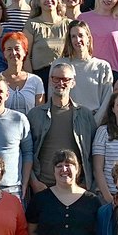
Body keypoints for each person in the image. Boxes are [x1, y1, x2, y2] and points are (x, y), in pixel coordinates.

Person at [28, 59, 98, 194]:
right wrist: (34, 182)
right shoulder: (35, 115)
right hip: (44, 187)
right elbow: (27, 152)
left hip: (76, 188)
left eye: (65, 79)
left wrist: (86, 183)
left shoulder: (85, 115)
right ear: (50, 80)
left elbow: (93, 154)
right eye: (56, 79)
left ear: (73, 82)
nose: (60, 83)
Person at [60, 20, 113, 118]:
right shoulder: (60, 65)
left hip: (94, 119)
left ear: (88, 38)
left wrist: (95, 123)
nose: (77, 39)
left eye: (81, 35)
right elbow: (53, 96)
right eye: (73, 36)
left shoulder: (103, 66)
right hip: (67, 119)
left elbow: (107, 99)